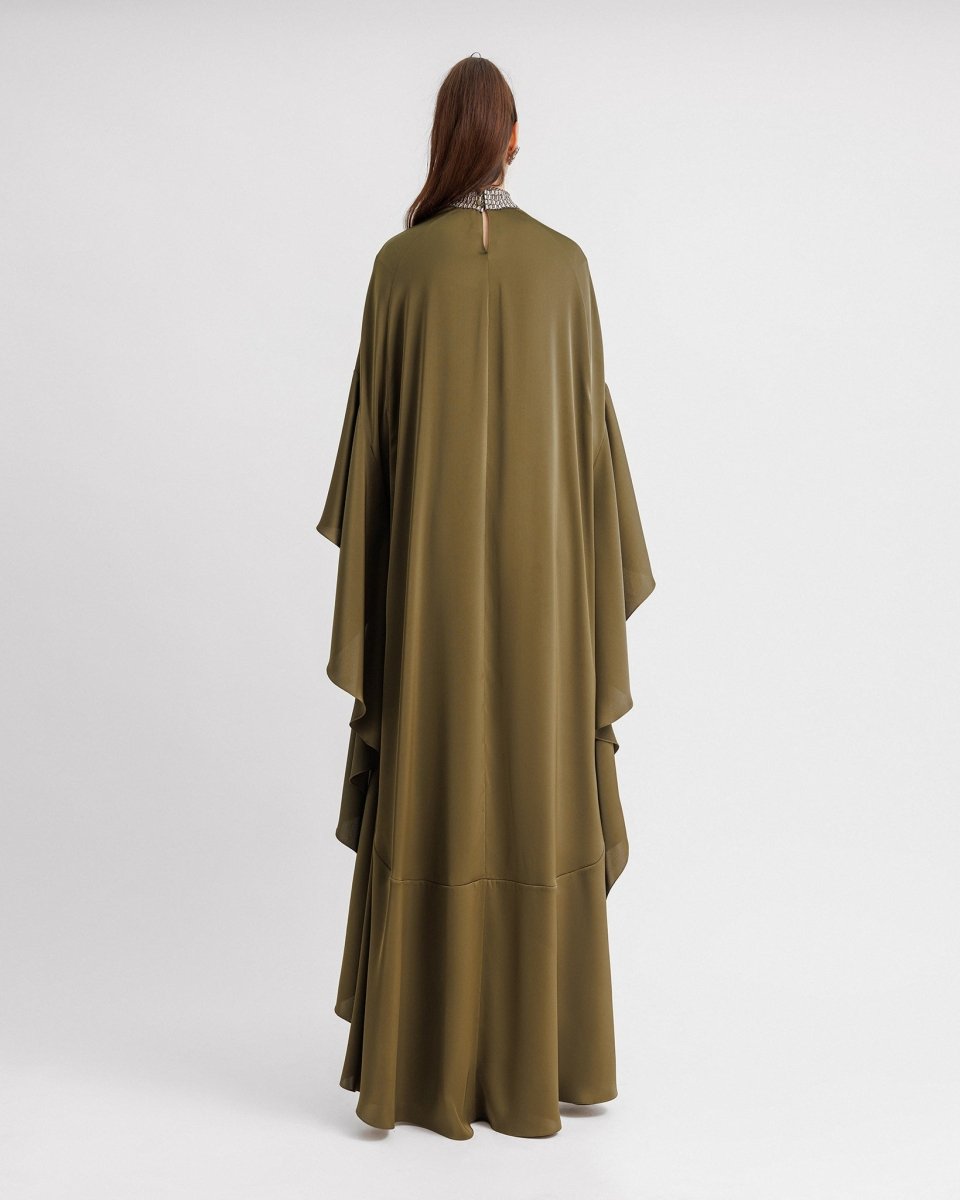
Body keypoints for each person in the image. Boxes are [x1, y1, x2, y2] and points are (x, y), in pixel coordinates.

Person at [316, 53, 656, 1141]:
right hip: (548, 617)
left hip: (431, 615)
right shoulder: (566, 268)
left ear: (446, 139)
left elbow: (370, 473)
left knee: (437, 789)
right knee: (536, 794)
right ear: (513, 139)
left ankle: (421, 1061)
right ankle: (539, 1057)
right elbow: (595, 469)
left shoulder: (399, 270)